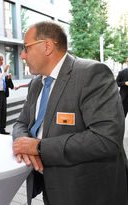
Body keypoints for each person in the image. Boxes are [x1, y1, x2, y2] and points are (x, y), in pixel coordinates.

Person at [12, 21, 128, 205]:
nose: (22, 55)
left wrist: (38, 147)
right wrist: (23, 144)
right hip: (51, 189)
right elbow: (20, 123)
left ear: (47, 46)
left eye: (26, 48)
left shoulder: (92, 74)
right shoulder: (36, 84)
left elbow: (106, 139)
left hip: (87, 194)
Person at [0, 53, 14, 134]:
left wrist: (7, 76)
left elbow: (3, 78)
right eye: (0, 60)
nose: (2, 61)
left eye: (3, 59)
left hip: (3, 92)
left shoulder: (1, 68)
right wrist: (5, 72)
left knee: (3, 111)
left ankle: (2, 128)